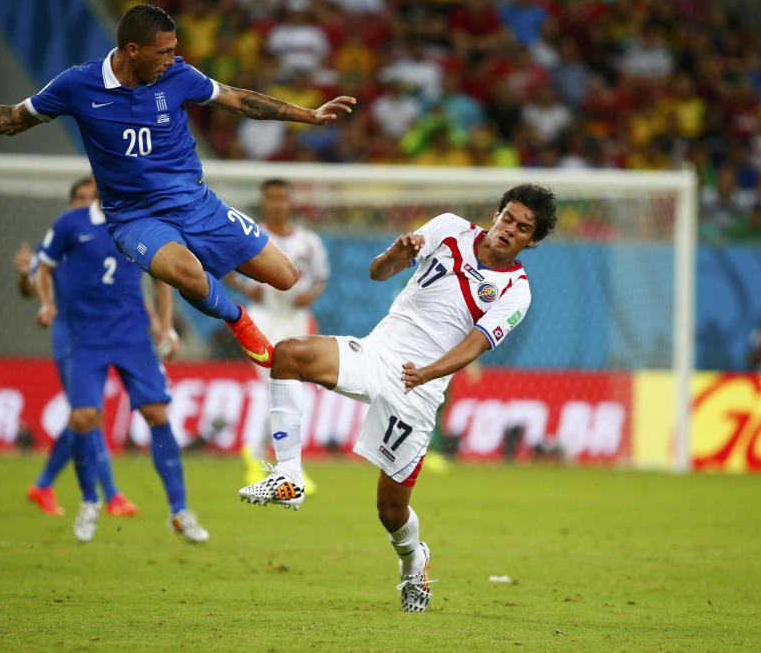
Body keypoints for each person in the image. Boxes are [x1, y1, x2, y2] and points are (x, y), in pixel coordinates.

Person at [0, 3, 355, 369]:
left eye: (175, 50)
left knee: (287, 276)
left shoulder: (177, 76)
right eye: (165, 51)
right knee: (190, 274)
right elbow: (13, 121)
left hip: (196, 203)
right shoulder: (77, 85)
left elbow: (237, 99)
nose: (174, 59)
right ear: (133, 50)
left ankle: (238, 302)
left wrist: (306, 115)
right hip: (135, 218)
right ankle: (239, 321)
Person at [239, 184, 558, 613]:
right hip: (378, 353)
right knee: (289, 354)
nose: (509, 230)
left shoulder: (515, 291)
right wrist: (395, 253)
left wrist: (426, 374)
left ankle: (414, 561)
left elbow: (474, 346)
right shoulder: (449, 228)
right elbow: (378, 272)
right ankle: (290, 477)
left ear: (531, 241)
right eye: (508, 218)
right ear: (496, 213)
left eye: (522, 229)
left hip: (420, 390)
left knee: (390, 511)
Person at [35, 195, 208, 543]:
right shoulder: (72, 223)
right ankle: (89, 501)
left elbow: (162, 276)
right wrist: (47, 303)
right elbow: (43, 266)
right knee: (83, 417)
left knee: (157, 413)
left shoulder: (142, 221)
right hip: (85, 337)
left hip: (133, 336)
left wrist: (164, 325)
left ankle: (179, 510)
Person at [13, 176, 139, 518]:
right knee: (89, 413)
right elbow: (30, 287)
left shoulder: (107, 237)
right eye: (79, 198)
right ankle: (112, 494)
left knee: (85, 415)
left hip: (104, 335)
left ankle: (42, 484)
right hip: (69, 334)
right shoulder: (62, 237)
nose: (86, 203)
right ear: (71, 203)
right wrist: (26, 276)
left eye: (91, 197)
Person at [226, 179, 328, 491]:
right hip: (263, 318)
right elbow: (226, 268)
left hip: (294, 319)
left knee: (291, 390)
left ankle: (278, 463)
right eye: (271, 198)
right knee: (275, 385)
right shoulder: (251, 233)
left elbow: (321, 278)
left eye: (282, 198)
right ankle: (260, 455)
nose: (277, 204)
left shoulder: (308, 241)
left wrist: (309, 297)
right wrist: (246, 288)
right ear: (263, 201)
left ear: (290, 201)